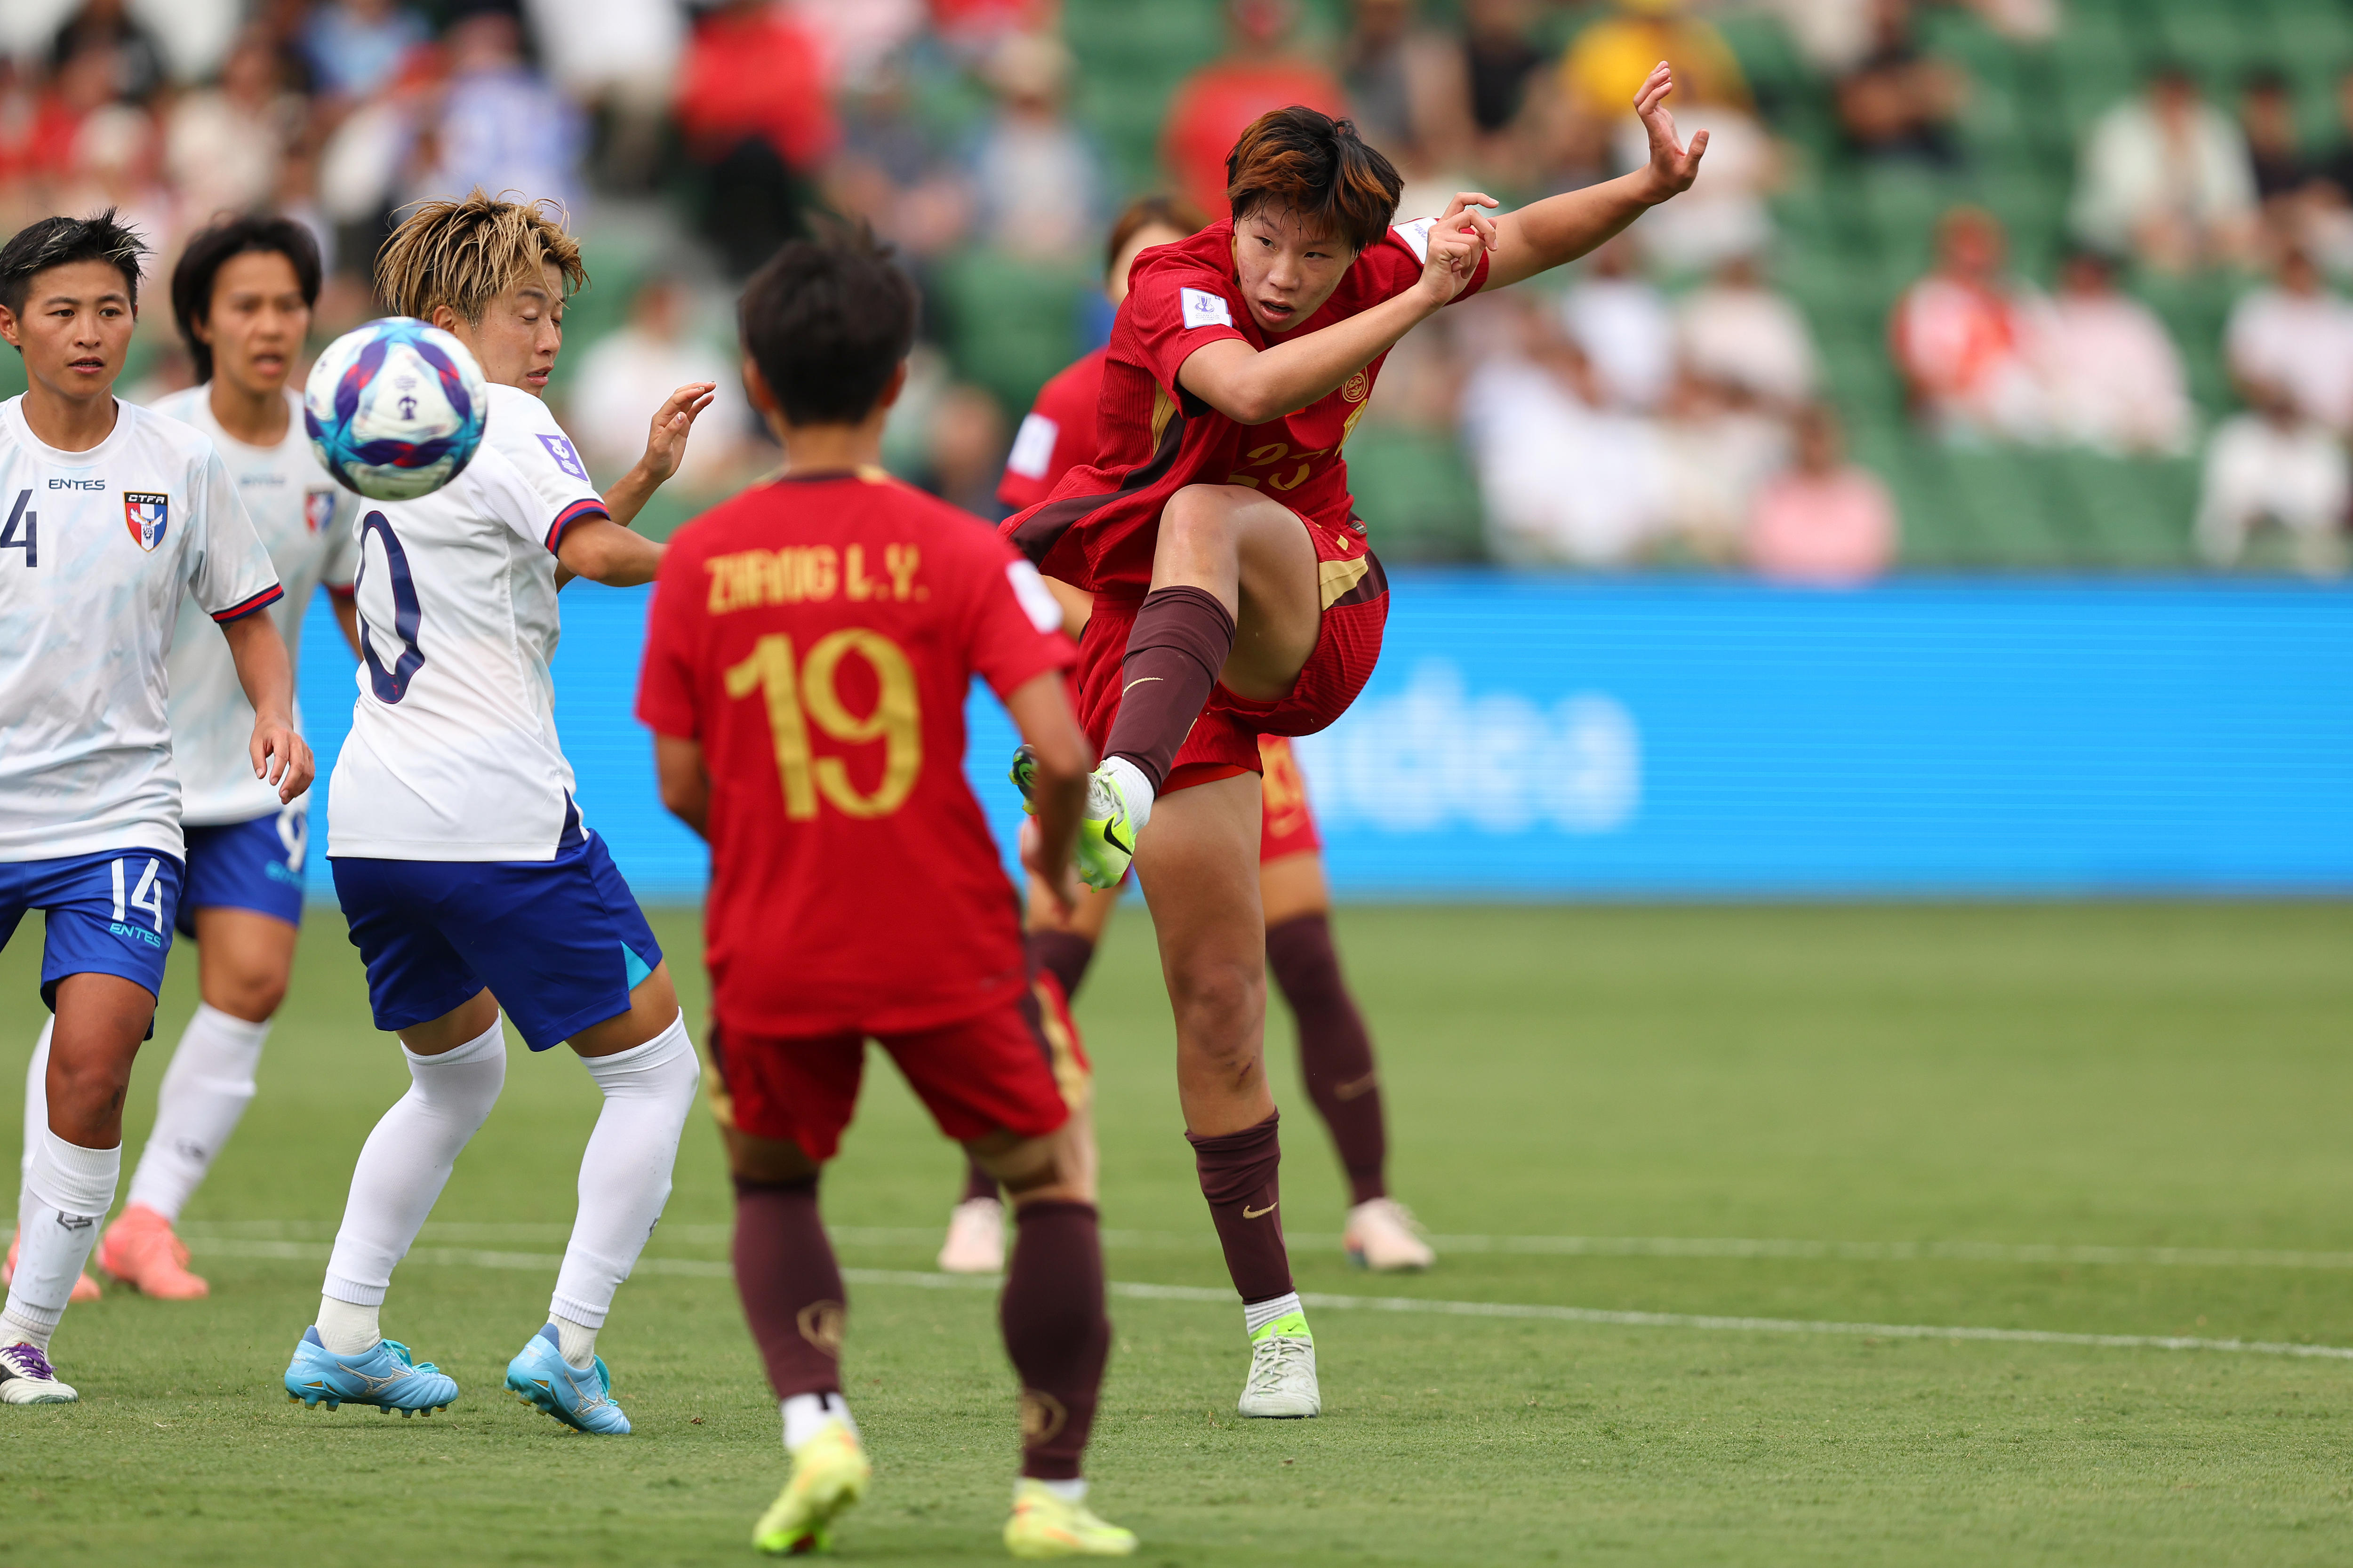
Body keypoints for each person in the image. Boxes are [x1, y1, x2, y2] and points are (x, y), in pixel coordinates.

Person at [999, 70, 1705, 1418]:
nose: (1285, 268)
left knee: (1204, 508)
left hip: (1309, 604)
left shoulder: (1377, 267)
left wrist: (1652, 186)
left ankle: (1118, 781)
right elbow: (1250, 388)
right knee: (1218, 1008)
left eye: (1317, 252)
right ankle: (1279, 1328)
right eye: (1269, 237)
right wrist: (1420, 294)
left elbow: (1529, 240)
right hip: (1167, 662)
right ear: (1236, 214)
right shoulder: (1171, 287)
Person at [640, 228, 1136, 1559]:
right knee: (1054, 1174)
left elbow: (679, 782)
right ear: (900, 383)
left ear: (755, 377)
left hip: (776, 931)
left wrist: (762, 841)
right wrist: (1045, 847)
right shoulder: (957, 550)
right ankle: (1051, 1492)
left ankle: (818, 1427)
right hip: (947, 933)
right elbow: (1074, 749)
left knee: (773, 1182)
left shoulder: (700, 559)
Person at [280, 191, 715, 1434]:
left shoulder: (365, 437)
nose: (548, 337)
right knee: (656, 1073)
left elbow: (510, 552)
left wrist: (639, 477)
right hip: (498, 817)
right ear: (442, 326)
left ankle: (344, 1334)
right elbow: (580, 556)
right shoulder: (505, 413)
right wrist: (715, 563)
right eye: (526, 310)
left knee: (455, 1080)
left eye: (558, 314)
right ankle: (571, 1342)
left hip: (375, 822)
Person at [945, 192, 1435, 1280]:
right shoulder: (1078, 398)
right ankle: (981, 1199)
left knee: (1302, 956)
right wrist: (1118, 628)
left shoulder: (1270, 352)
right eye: (1131, 275)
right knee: (1053, 958)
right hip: (1119, 690)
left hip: (1231, 682)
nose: (1152, 293)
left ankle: (1372, 1201)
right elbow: (1020, 559)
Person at [7, 216, 362, 1305]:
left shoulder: (331, 455)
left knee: (242, 983)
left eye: (288, 306)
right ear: (202, 322)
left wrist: (295, 711)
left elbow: (333, 599)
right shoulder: (148, 433)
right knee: (90, 1022)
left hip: (213, 782)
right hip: (86, 768)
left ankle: (141, 1222)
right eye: (245, 305)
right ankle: (45, 1231)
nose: (269, 326)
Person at [2071, 63, 2258, 273]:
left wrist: (2217, 224)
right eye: (2169, 97)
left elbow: (2232, 194)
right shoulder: (2119, 129)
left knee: (2248, 243)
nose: (2176, 106)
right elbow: (2124, 203)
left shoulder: (2215, 127)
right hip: (2118, 228)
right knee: (2162, 247)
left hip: (2196, 229)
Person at [1888, 205, 2046, 442]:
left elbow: (2044, 362)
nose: (1975, 255)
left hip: (2020, 411)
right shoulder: (1926, 299)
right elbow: (1916, 371)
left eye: (1982, 245)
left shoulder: (2018, 298)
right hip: (1954, 412)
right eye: (1967, 244)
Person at [1745, 403, 1897, 584]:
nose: (1817, 446)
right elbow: (1761, 561)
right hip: (1788, 604)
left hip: (1852, 604)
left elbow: (1877, 561)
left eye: (1824, 436)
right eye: (1811, 435)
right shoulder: (1772, 493)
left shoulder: (1865, 493)